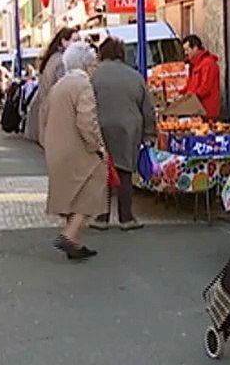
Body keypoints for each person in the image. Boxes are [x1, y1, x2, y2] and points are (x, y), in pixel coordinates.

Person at [42, 43, 107, 260]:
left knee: (70, 192)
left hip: (56, 147)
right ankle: (69, 236)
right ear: (87, 64)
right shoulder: (83, 85)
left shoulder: (59, 85)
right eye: (94, 63)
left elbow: (43, 115)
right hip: (76, 148)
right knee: (91, 187)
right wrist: (97, 146)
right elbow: (87, 121)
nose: (96, 67)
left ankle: (75, 241)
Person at [90, 37, 157, 231]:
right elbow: (147, 108)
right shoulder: (135, 76)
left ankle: (102, 217)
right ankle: (126, 218)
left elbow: (87, 103)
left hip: (101, 127)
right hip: (129, 129)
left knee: (103, 171)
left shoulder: (94, 76)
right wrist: (149, 134)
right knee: (125, 172)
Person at [26, 26, 78, 145]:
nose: (78, 44)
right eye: (75, 41)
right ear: (64, 42)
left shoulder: (52, 59)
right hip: (57, 119)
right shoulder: (62, 62)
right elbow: (64, 92)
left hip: (47, 117)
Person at [181, 34, 221, 120]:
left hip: (206, 111)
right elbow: (189, 85)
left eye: (187, 50)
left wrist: (188, 97)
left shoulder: (208, 64)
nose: (186, 53)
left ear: (195, 48)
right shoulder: (194, 65)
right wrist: (180, 94)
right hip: (196, 110)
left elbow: (205, 88)